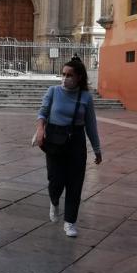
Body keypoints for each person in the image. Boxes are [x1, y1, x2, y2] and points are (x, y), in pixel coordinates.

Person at [34, 56, 103, 238]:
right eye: (63, 74)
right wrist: (40, 129)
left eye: (69, 75)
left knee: (75, 182)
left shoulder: (86, 97)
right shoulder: (53, 91)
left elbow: (91, 124)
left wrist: (97, 149)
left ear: (79, 77)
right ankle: (54, 200)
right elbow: (43, 112)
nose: (65, 78)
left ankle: (70, 222)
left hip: (76, 140)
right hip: (55, 139)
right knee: (55, 180)